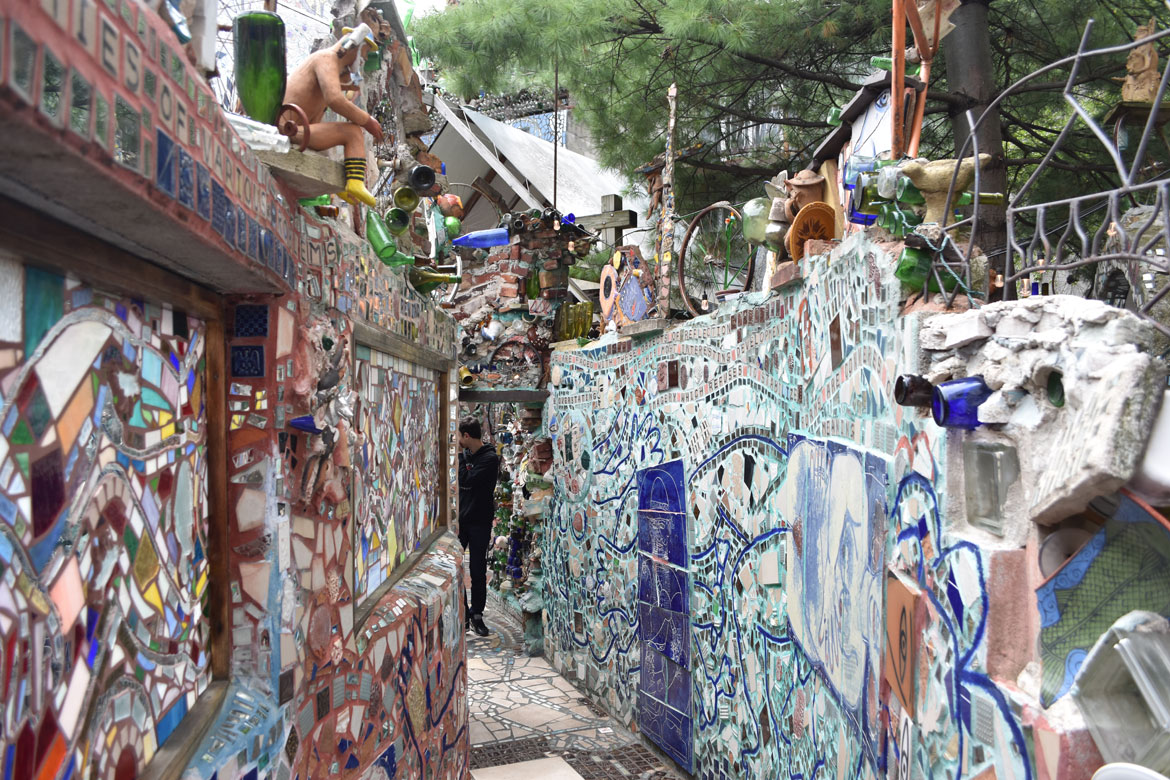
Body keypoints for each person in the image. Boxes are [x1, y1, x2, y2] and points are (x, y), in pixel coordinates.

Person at [458, 417, 499, 637]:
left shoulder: (490, 458)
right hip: (461, 522)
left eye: (459, 437)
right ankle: (463, 614)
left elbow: (466, 480)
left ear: (466, 435)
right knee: (456, 569)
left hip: (480, 523)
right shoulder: (465, 456)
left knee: (477, 571)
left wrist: (460, 458)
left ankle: (477, 615)